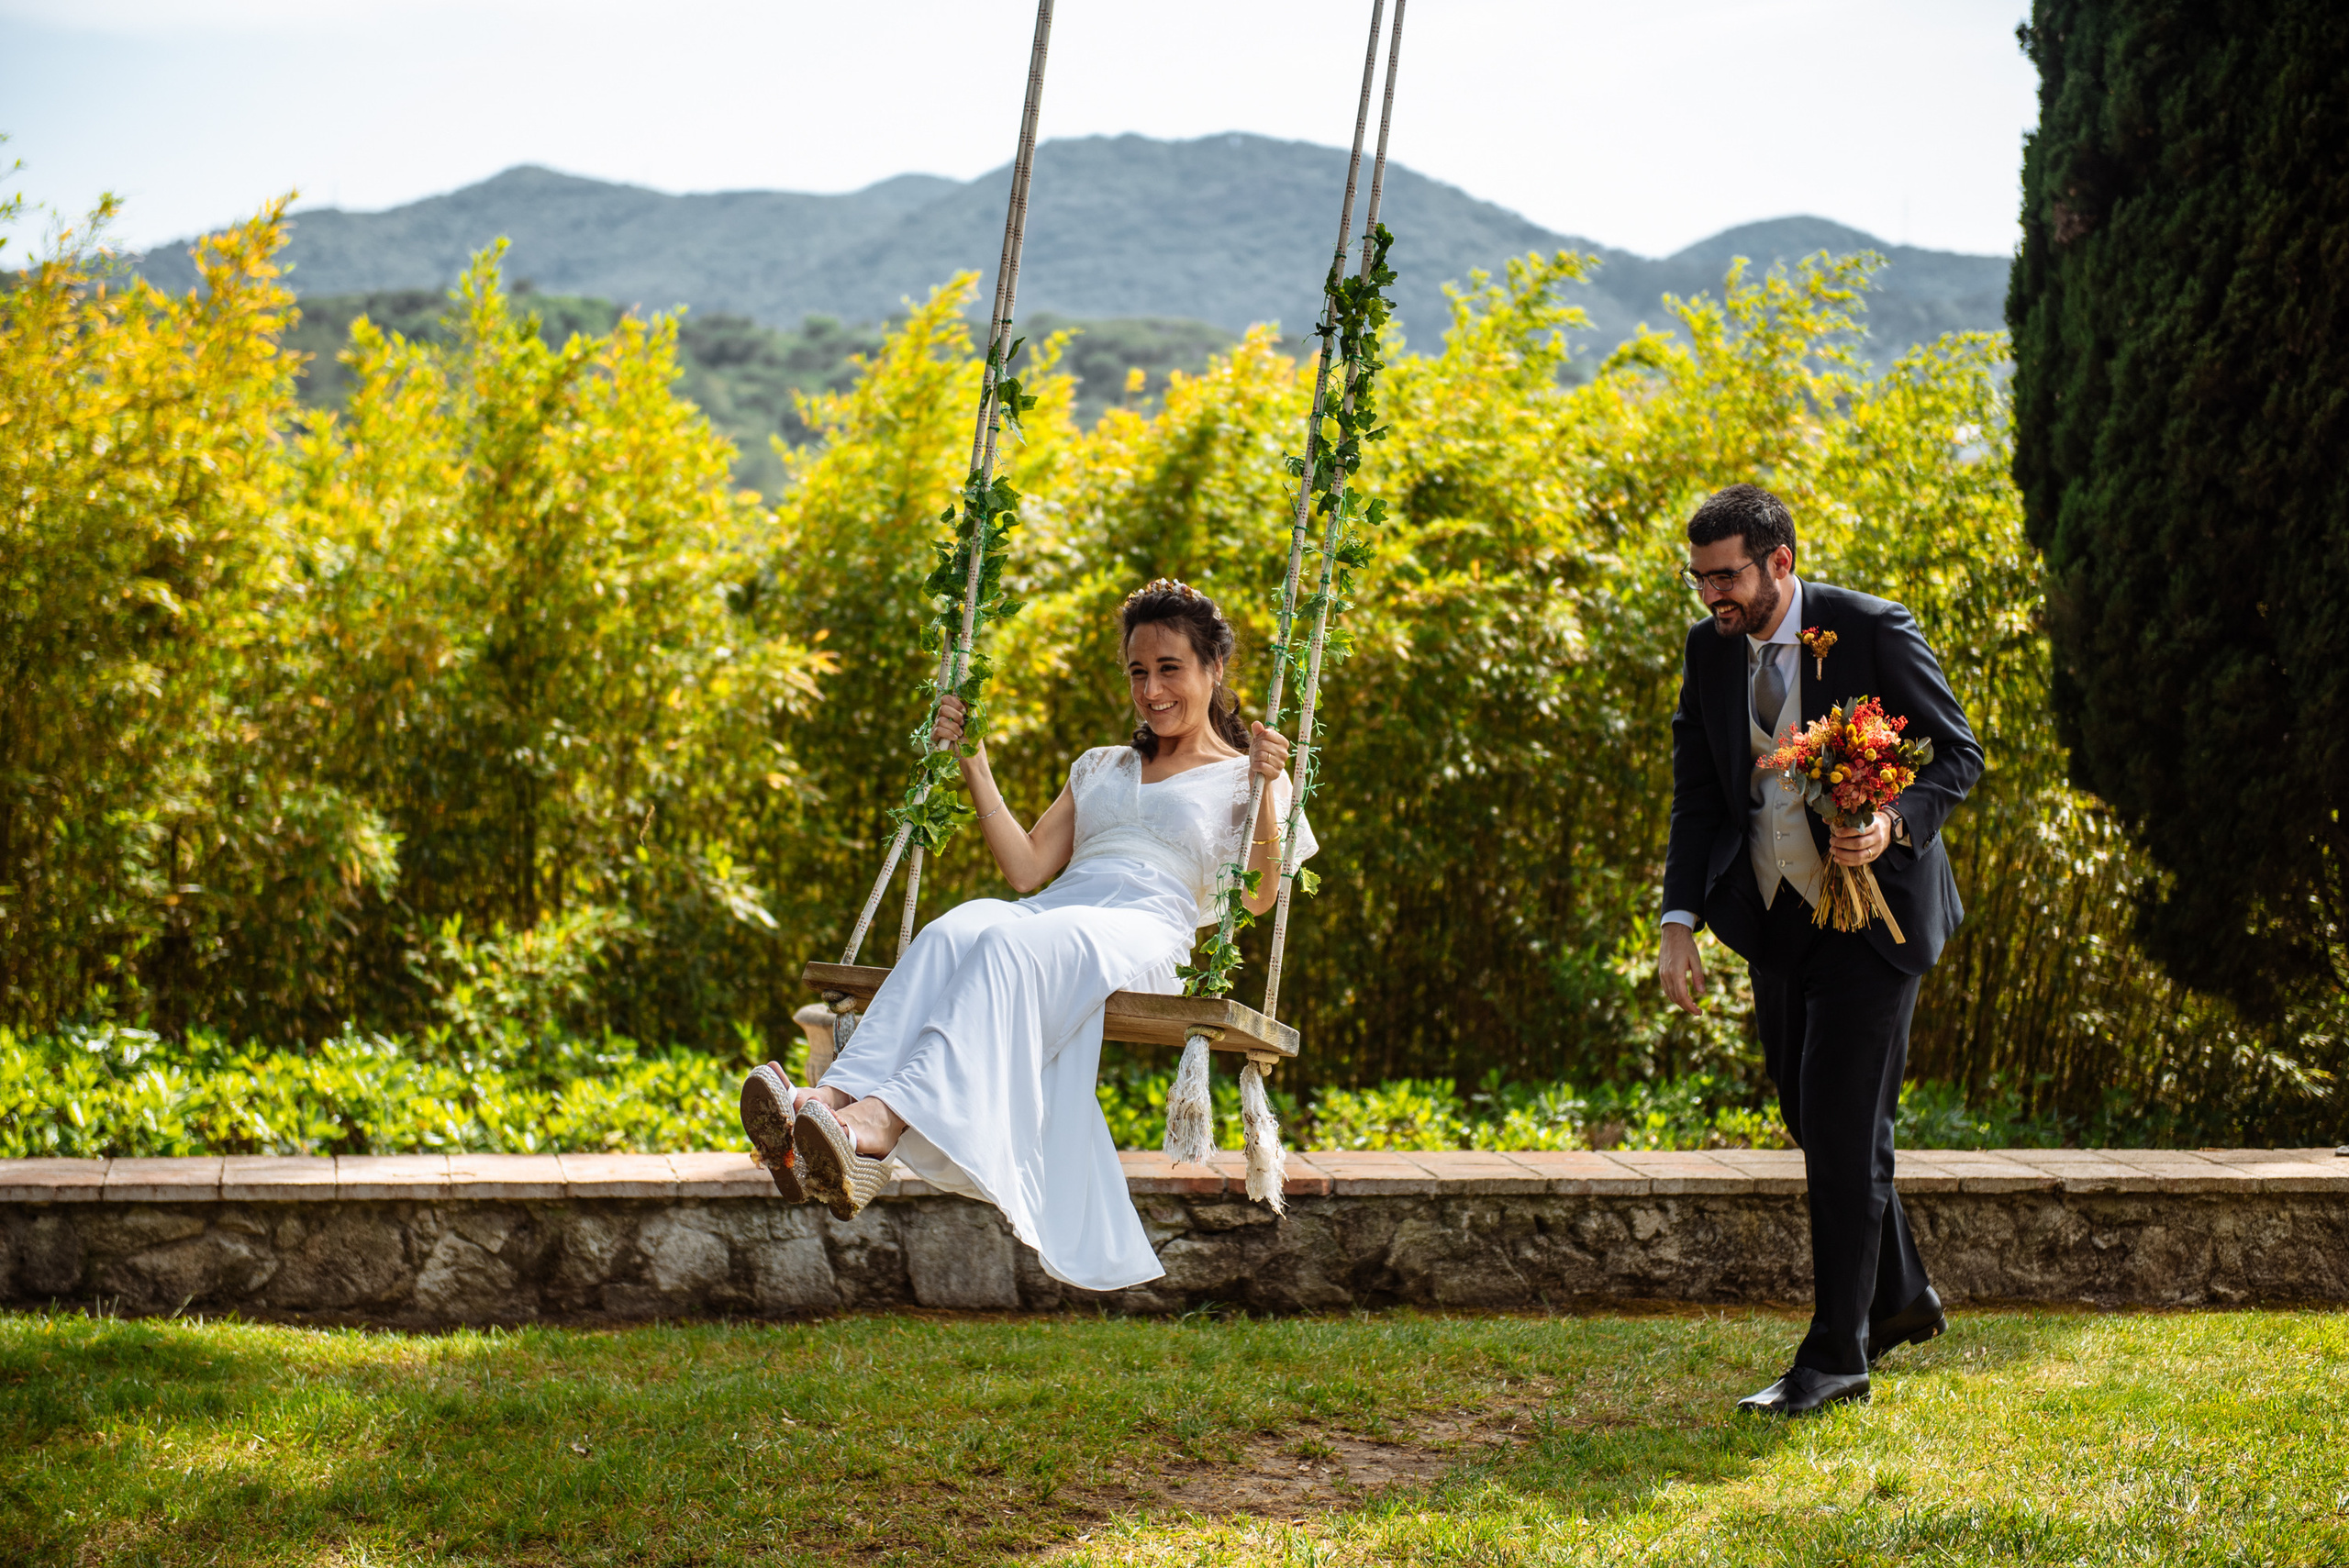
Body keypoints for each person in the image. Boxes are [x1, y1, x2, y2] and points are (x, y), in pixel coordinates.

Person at [739, 578, 1315, 1294]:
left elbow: (1259, 897)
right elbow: (1026, 868)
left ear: (1214, 669)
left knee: (1005, 944)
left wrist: (1268, 790)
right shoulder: (1101, 766)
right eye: (1138, 670)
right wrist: (973, 760)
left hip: (1139, 933)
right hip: (1059, 915)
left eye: (1170, 668)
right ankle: (833, 1102)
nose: (1152, 688)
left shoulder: (1249, 774)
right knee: (957, 929)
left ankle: (878, 1126)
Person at [1657, 484, 1984, 1416]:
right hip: (1774, 917)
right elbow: (1698, 793)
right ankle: (1904, 1294)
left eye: (1726, 576)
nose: (1711, 595)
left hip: (1874, 918)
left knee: (1843, 1131)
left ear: (1779, 563)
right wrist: (1679, 918)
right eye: (1699, 578)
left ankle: (1836, 1354)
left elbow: (1956, 752)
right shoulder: (1706, 651)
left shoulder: (1870, 627)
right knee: (1814, 1116)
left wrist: (1890, 821)